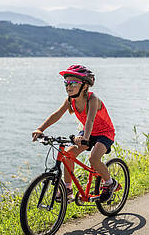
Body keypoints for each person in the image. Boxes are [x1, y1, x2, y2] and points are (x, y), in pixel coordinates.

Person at [31, 64, 117, 202]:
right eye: (66, 83)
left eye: (73, 83)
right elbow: (56, 114)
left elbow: (90, 120)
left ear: (85, 86)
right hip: (87, 132)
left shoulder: (92, 99)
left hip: (104, 132)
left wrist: (84, 138)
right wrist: (40, 129)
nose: (68, 86)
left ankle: (109, 182)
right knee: (68, 155)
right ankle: (68, 188)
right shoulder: (70, 100)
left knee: (93, 159)